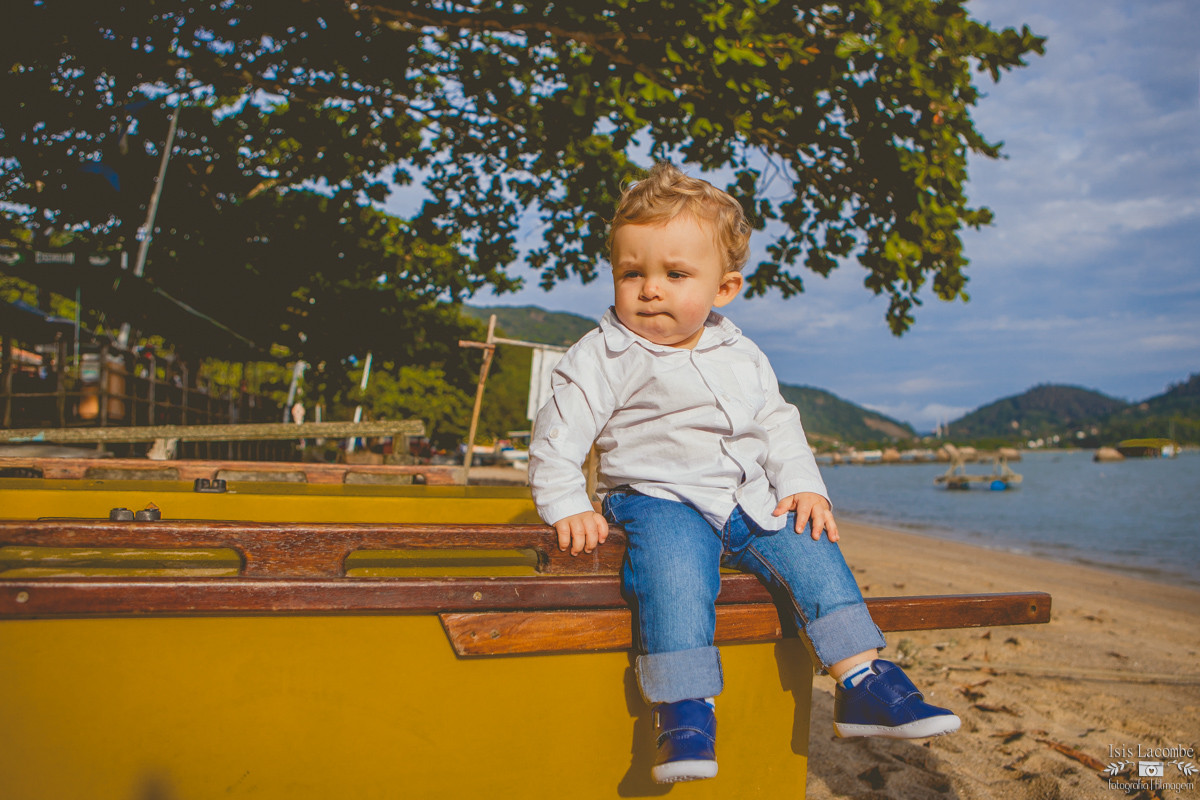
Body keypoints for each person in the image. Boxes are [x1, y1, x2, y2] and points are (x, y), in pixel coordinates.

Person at [528, 163, 960, 784]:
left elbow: (777, 423)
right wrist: (568, 502)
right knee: (675, 572)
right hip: (658, 497)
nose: (650, 290)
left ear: (723, 288)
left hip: (746, 498)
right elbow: (557, 433)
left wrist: (803, 486)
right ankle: (684, 709)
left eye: (675, 274)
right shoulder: (604, 354)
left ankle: (862, 678)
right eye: (632, 273)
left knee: (811, 547)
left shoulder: (740, 351)